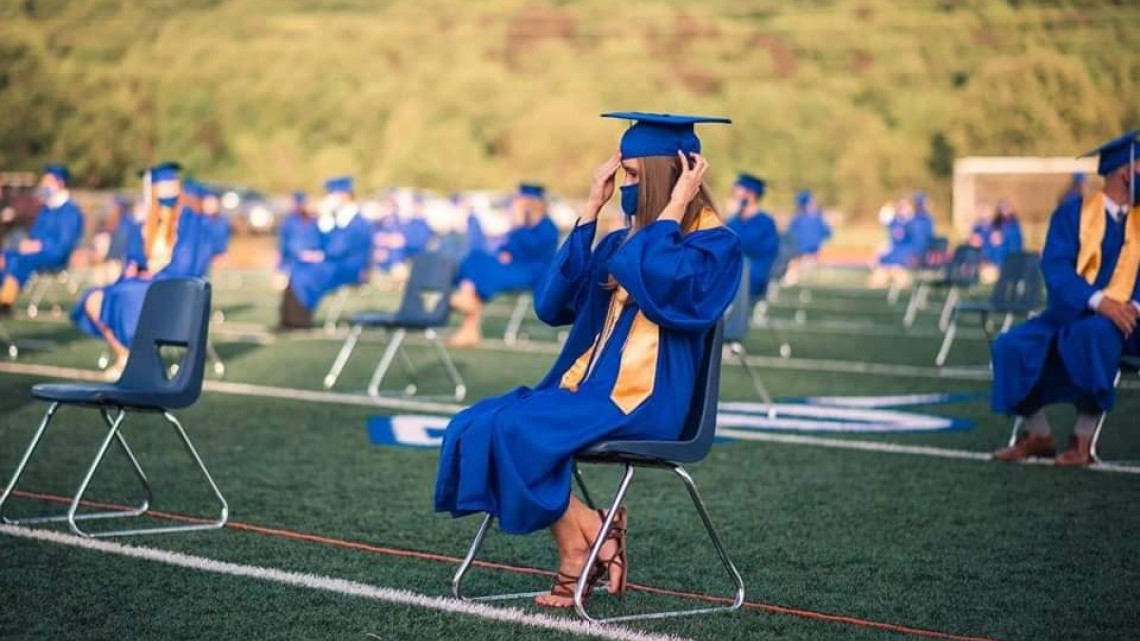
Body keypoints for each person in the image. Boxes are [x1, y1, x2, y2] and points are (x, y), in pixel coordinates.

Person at [434, 111, 741, 608]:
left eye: (634, 177)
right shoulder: (620, 240)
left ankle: (580, 551)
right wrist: (589, 211)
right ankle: (593, 531)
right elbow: (552, 305)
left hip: (647, 400)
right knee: (479, 423)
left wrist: (676, 206)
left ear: (671, 175)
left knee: (518, 429)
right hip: (589, 390)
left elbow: (664, 286)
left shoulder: (714, 246)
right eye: (622, 178)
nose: (625, 188)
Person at [991, 131, 1140, 466]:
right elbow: (1056, 267)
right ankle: (1038, 434)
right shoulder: (1073, 214)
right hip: (1073, 310)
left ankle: (1082, 440)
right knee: (1010, 345)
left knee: (1095, 336)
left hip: (1130, 323)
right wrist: (1098, 301)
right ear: (1127, 172)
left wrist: (1133, 306)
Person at [72, 161, 203, 377]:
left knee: (129, 293)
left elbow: (188, 263)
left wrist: (156, 275)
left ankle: (138, 359)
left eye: (171, 185)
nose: (167, 190)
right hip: (142, 281)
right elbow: (134, 255)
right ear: (153, 190)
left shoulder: (190, 221)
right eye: (162, 186)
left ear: (178, 187)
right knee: (94, 298)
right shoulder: (145, 220)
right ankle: (126, 355)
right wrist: (133, 265)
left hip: (172, 285)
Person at [447, 183, 559, 346]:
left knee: (483, 269)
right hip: (514, 266)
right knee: (476, 258)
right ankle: (468, 307)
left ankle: (468, 317)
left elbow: (535, 249)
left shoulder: (547, 226)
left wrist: (518, 227)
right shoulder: (522, 226)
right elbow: (507, 247)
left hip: (532, 272)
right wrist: (504, 252)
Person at [278, 176, 373, 330]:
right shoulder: (336, 219)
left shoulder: (358, 221)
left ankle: (300, 319)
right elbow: (318, 242)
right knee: (298, 268)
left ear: (344, 196)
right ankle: (289, 319)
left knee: (309, 274)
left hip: (349, 267)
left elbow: (339, 248)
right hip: (333, 263)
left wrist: (322, 255)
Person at [0, 164, 84, 316]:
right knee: (6, 255)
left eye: (48, 182)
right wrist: (28, 244)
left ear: (60, 183)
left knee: (22, 260)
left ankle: (6, 299)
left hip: (53, 255)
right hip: (37, 252)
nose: (44, 186)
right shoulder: (46, 210)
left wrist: (41, 245)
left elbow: (64, 244)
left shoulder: (70, 211)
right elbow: (34, 235)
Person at [726, 172, 779, 302]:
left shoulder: (765, 223)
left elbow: (765, 253)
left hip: (753, 281)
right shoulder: (732, 221)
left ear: (751, 195)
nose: (735, 196)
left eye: (739, 192)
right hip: (729, 282)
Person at [785, 189, 831, 284]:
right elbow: (827, 234)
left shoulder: (796, 219)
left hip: (799, 259)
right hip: (806, 259)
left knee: (793, 280)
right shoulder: (815, 219)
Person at [868, 197, 914, 289]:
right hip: (886, 265)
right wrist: (877, 256)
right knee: (874, 284)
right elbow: (886, 245)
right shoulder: (892, 224)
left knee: (902, 286)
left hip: (900, 266)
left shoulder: (911, 226)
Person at [278, 192, 322, 275]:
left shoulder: (313, 221)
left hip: (313, 260)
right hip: (294, 261)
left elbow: (318, 240)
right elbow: (284, 244)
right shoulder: (289, 222)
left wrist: (315, 254)